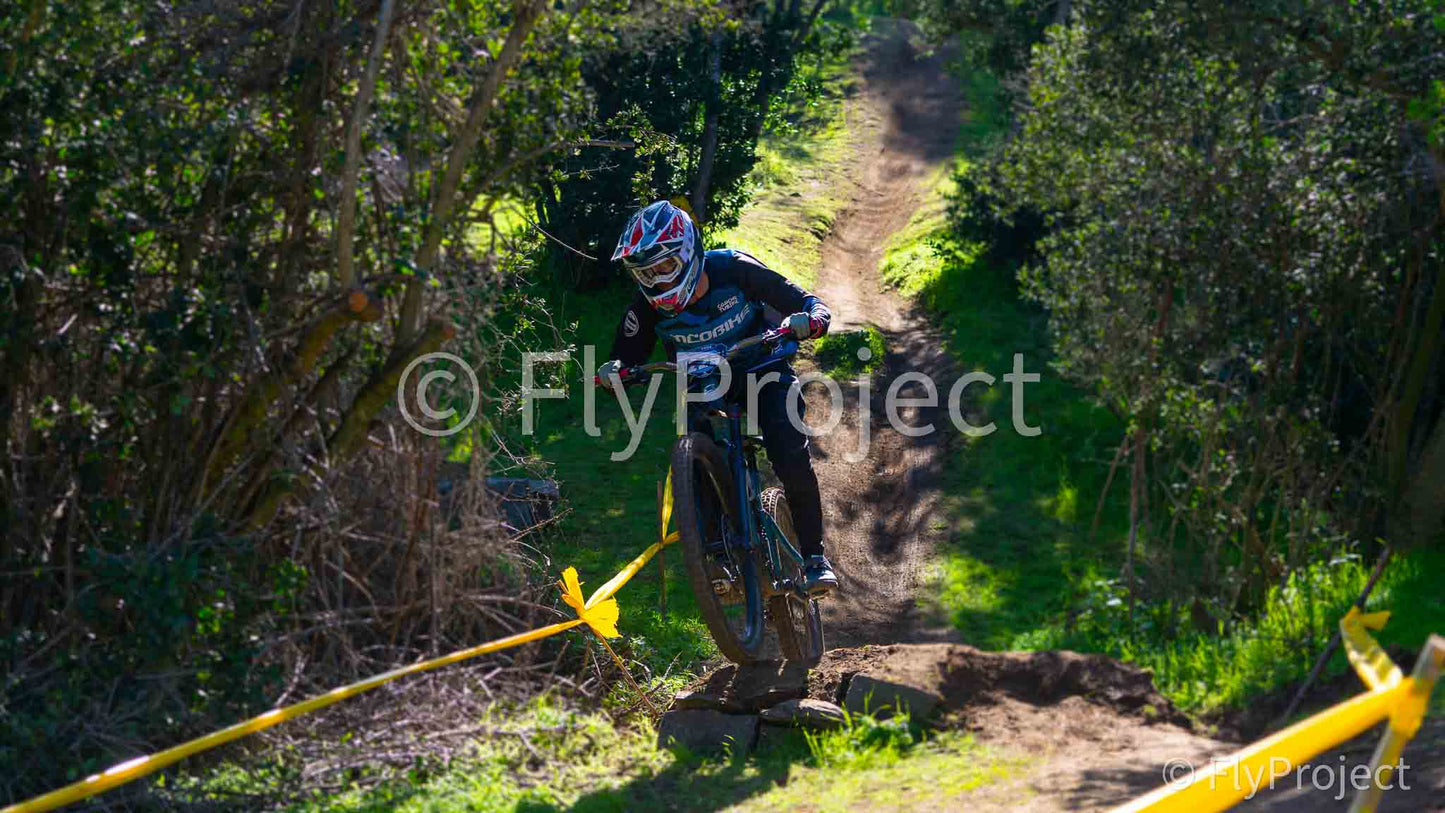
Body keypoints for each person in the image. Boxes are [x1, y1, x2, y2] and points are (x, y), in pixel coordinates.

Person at [597, 200, 838, 594]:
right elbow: (623, 358)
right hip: (703, 384)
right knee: (692, 461)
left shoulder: (733, 268)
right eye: (646, 273)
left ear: (689, 253)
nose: (657, 282)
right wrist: (612, 373)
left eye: (664, 268)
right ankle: (719, 561)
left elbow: (805, 301)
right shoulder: (645, 309)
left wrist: (812, 318)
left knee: (788, 451)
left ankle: (814, 557)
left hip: (762, 368)